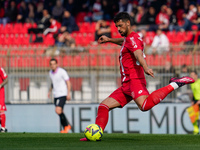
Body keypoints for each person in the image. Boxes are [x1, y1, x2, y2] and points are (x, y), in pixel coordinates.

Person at [80, 12, 194, 141]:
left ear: (128, 23)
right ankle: (96, 134)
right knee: (103, 106)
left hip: (135, 80)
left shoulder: (133, 39)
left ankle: (175, 83)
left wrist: (145, 67)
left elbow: (138, 54)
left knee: (144, 106)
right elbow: (125, 42)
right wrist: (110, 40)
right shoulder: (129, 39)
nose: (118, 29)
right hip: (126, 84)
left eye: (121, 25)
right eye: (117, 26)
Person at [48, 58, 72, 133]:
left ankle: (67, 126)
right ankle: (65, 128)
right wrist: (49, 91)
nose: (52, 66)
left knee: (58, 110)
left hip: (62, 94)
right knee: (59, 111)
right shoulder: (50, 73)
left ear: (57, 64)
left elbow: (68, 82)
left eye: (54, 64)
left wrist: (68, 93)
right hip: (56, 94)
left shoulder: (62, 72)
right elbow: (53, 83)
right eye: (51, 64)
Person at [0, 67, 8, 132]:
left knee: (1, 110)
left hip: (0, 92)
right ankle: (4, 127)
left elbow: (6, 80)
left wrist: (0, 85)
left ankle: (3, 128)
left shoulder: (1, 69)